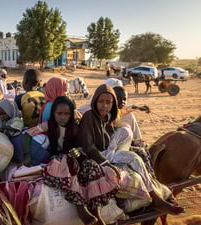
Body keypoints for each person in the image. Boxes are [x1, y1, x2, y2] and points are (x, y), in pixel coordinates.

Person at [78, 84, 184, 216]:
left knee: (128, 135)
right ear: (94, 102)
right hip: (99, 156)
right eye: (101, 102)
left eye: (108, 102)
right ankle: (155, 199)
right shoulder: (89, 116)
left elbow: (112, 137)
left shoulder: (109, 118)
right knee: (134, 158)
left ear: (113, 104)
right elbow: (89, 146)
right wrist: (105, 162)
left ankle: (154, 192)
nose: (104, 105)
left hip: (110, 152)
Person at [27, 96, 120, 225]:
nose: (63, 117)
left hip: (77, 154)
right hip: (59, 157)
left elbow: (83, 144)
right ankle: (81, 210)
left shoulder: (75, 126)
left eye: (66, 114)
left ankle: (95, 210)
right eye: (59, 114)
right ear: (54, 113)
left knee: (92, 167)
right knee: (70, 173)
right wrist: (26, 155)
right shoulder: (49, 125)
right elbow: (28, 134)